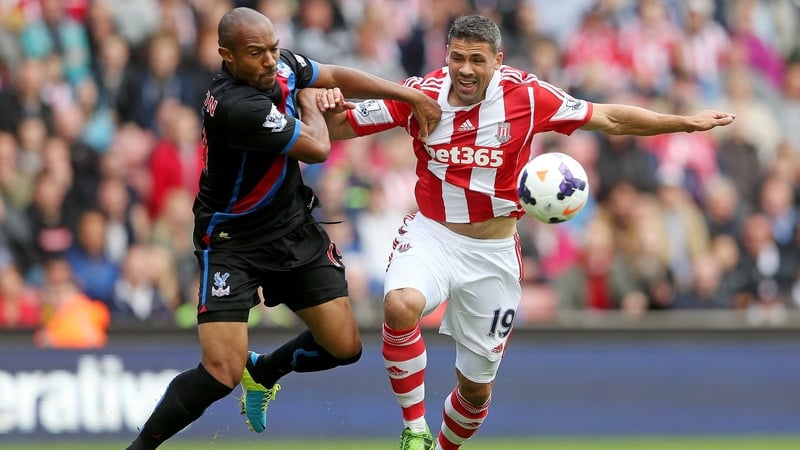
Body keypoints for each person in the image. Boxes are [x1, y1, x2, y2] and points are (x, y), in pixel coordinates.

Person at [322, 14, 735, 450]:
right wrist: (325, 106)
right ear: (446, 55)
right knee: (400, 304)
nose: (465, 69)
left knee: (475, 391)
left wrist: (683, 122)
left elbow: (609, 119)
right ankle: (414, 429)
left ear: (497, 61)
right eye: (457, 57)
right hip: (432, 236)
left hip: (494, 253)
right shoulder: (419, 94)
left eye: (477, 60)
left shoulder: (528, 96)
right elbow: (341, 126)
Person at [124, 7, 440, 450]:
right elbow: (316, 148)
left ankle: (265, 370)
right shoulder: (235, 105)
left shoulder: (282, 66)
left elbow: (333, 73)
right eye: (257, 53)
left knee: (344, 347)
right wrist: (311, 102)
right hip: (232, 241)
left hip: (291, 228)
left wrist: (408, 95)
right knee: (221, 372)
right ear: (227, 55)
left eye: (274, 49)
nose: (270, 60)